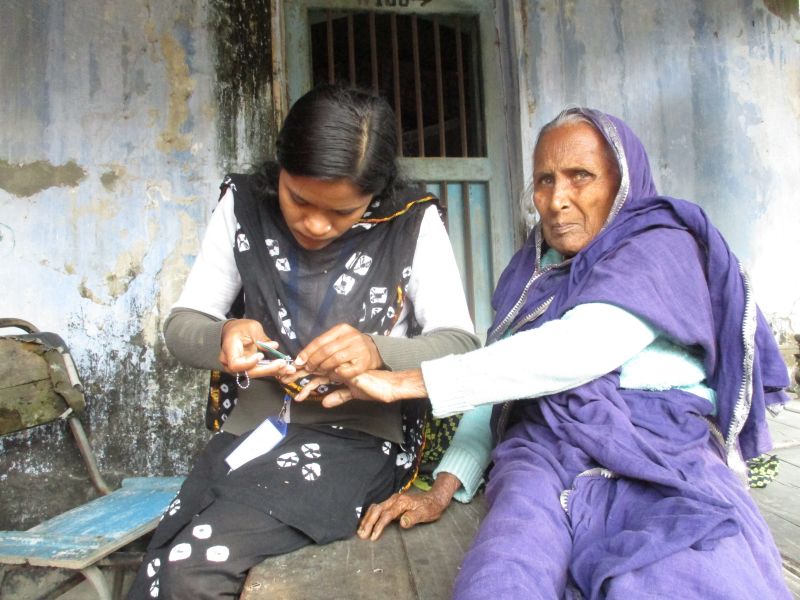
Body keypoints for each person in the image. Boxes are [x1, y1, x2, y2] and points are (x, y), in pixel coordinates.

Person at [309, 108, 792, 598]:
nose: (557, 199)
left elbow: (579, 346)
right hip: (541, 452)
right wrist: (443, 487)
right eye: (544, 180)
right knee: (505, 565)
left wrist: (404, 381)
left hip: (664, 448)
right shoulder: (531, 272)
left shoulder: (660, 244)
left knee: (688, 570)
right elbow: (499, 382)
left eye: (580, 176)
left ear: (622, 183)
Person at [127, 84, 480, 599]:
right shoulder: (244, 204)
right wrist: (222, 335)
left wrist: (380, 350)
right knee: (166, 556)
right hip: (252, 435)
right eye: (299, 200)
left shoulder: (411, 221)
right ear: (280, 172)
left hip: (360, 443)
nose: (315, 224)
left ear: (376, 194)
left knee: (191, 568)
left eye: (342, 213)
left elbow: (463, 346)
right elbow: (183, 325)